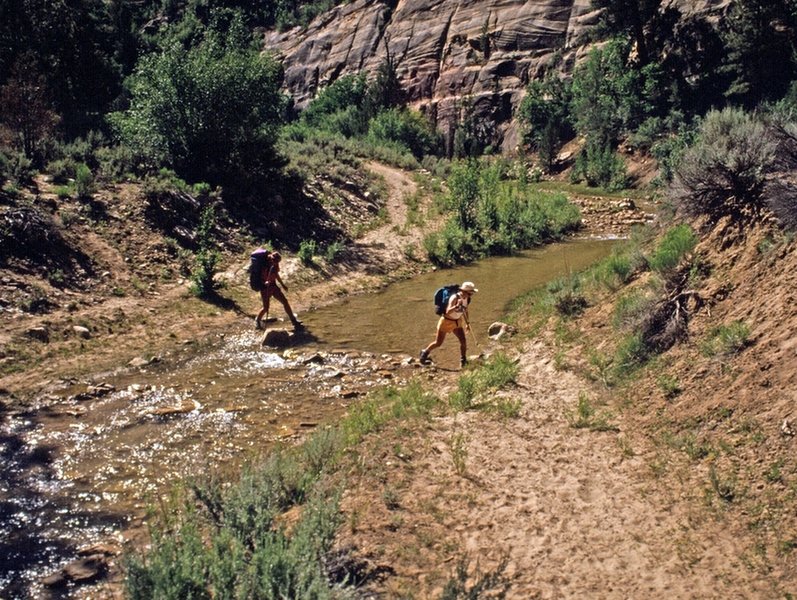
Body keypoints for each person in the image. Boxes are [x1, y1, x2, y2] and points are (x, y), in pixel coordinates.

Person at [419, 281, 478, 367]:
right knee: (438, 343)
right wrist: (456, 306)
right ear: (464, 291)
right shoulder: (454, 298)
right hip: (446, 321)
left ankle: (463, 360)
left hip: (457, 322)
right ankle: (424, 353)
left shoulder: (467, 299)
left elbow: (466, 310)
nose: (471, 295)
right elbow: (448, 311)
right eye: (470, 293)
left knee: (463, 340)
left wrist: (467, 323)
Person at [255, 251, 303, 329]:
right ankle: (257, 320)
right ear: (272, 258)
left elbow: (276, 275)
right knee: (266, 308)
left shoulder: (275, 264)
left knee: (285, 302)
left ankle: (294, 321)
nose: (275, 263)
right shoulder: (264, 265)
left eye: (277, 262)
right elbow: (260, 278)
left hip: (273, 286)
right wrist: (265, 282)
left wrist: (283, 285)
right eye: (275, 261)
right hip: (265, 288)